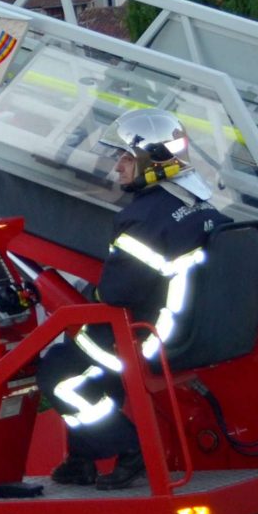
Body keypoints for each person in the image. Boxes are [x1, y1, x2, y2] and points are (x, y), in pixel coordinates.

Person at [35, 108, 218, 490]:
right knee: (93, 366)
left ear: (153, 161)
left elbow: (116, 292)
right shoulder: (201, 202)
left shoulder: (142, 219)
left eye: (126, 158)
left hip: (151, 337)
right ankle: (82, 459)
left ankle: (131, 448)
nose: (117, 167)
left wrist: (87, 296)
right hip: (192, 326)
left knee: (58, 371)